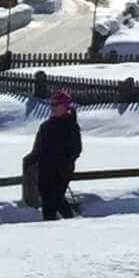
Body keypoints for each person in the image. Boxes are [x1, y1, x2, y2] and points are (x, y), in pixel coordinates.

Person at [29, 90, 84, 220]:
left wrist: (66, 161)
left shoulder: (71, 126)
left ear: (64, 107)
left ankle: (67, 221)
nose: (52, 108)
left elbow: (76, 149)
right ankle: (54, 222)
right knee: (47, 197)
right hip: (45, 167)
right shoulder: (46, 126)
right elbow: (39, 146)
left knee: (55, 198)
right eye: (51, 105)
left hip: (62, 169)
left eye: (55, 104)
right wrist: (33, 158)